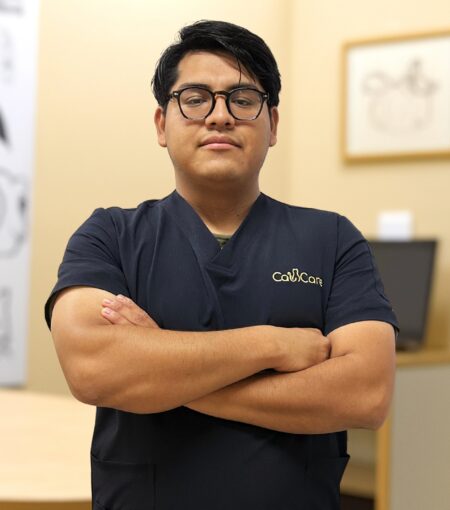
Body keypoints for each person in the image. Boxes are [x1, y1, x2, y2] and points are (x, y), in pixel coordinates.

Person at [45, 20, 399, 510]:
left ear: (273, 125)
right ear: (161, 124)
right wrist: (273, 344)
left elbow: (366, 394)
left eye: (243, 99)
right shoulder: (110, 236)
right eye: (195, 99)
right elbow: (93, 369)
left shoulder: (333, 239)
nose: (219, 116)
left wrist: (162, 372)